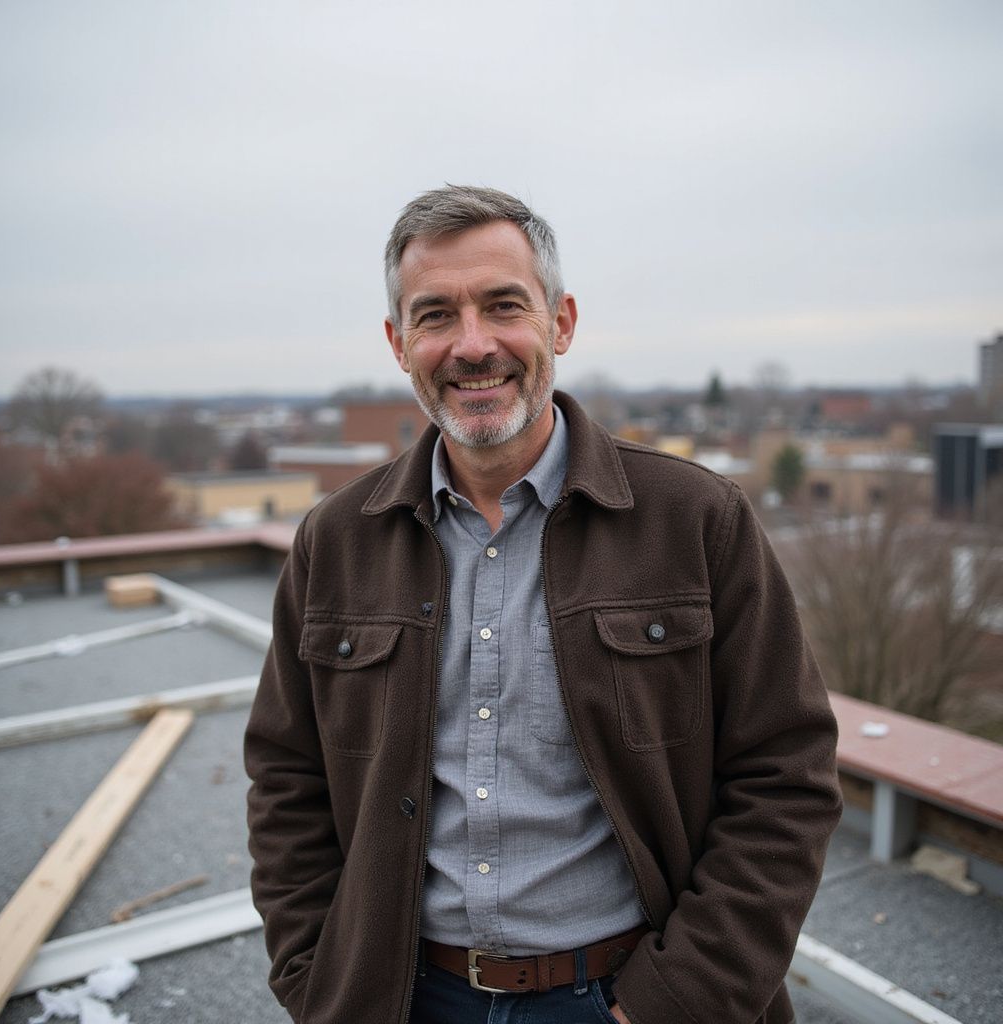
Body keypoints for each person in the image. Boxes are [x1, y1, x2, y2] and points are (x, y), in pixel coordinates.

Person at [245, 185, 842, 1024]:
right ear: (399, 343)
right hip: (405, 1001)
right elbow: (286, 782)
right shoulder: (336, 542)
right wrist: (318, 982)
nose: (473, 345)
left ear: (560, 323)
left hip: (628, 997)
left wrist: (674, 1003)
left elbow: (787, 776)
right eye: (435, 315)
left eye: (503, 306)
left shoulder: (696, 520)